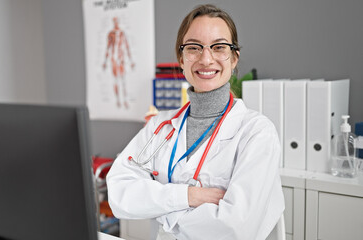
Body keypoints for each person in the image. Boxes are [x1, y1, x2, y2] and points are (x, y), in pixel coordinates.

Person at [106, 4, 284, 240]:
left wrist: (162, 210)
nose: (206, 59)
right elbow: (119, 193)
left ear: (233, 59)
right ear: (181, 59)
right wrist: (190, 196)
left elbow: (234, 229)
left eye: (219, 47)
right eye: (194, 48)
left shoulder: (257, 133)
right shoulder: (160, 126)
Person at [102, 16, 135, 109]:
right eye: (115, 21)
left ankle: (124, 100)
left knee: (123, 80)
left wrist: (131, 61)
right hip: (114, 59)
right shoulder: (111, 34)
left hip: (121, 59)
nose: (116, 23)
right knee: (116, 80)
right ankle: (118, 101)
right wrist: (105, 61)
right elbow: (108, 48)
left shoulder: (122, 33)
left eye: (117, 21)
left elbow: (127, 46)